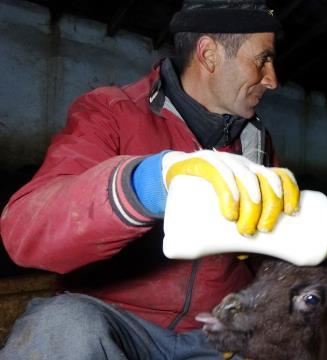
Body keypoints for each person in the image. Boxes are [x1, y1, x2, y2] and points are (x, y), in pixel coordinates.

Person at [0, 1, 298, 358]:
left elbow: (266, 258)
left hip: (216, 335)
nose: (273, 79)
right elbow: (25, 231)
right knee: (62, 326)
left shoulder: (257, 143)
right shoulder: (110, 113)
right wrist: (145, 185)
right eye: (262, 59)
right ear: (209, 54)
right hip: (118, 326)